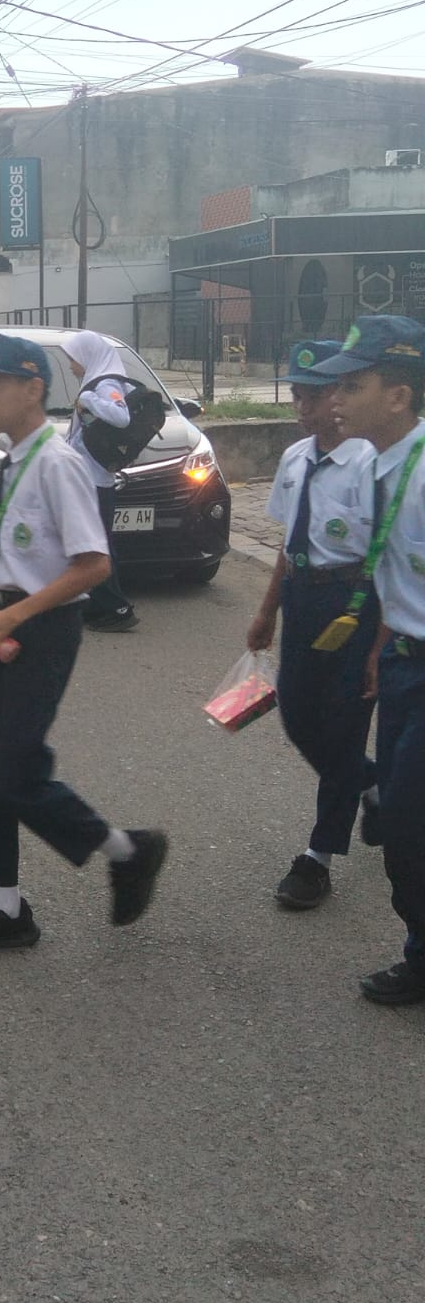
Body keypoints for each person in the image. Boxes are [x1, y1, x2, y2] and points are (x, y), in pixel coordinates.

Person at [0, 334, 168, 957]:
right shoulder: (16, 458)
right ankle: (7, 909)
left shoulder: (58, 463)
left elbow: (93, 565)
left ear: (33, 389)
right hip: (7, 619)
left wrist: (15, 616)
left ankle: (127, 851)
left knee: (17, 771)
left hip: (43, 628)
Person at [312, 316, 425, 1005]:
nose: (335, 400)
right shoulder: (377, 464)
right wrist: (384, 647)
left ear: (398, 396)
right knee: (402, 823)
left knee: (403, 821)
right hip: (406, 664)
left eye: (353, 386)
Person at [246, 340, 379, 910]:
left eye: (314, 395)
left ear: (340, 395)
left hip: (355, 601)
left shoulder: (369, 462)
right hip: (303, 598)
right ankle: (370, 782)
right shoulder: (296, 457)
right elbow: (287, 543)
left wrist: (377, 645)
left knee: (344, 726)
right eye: (297, 394)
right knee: (297, 714)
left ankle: (317, 858)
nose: (303, 407)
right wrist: (267, 611)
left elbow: (385, 560)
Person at [60, 330, 139, 632]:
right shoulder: (96, 381)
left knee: (97, 546)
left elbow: (121, 417)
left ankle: (117, 608)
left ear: (87, 356)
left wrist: (88, 399)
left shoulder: (104, 385)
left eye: (72, 359)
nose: (71, 366)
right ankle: (96, 606)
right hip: (87, 478)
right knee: (92, 543)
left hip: (94, 481)